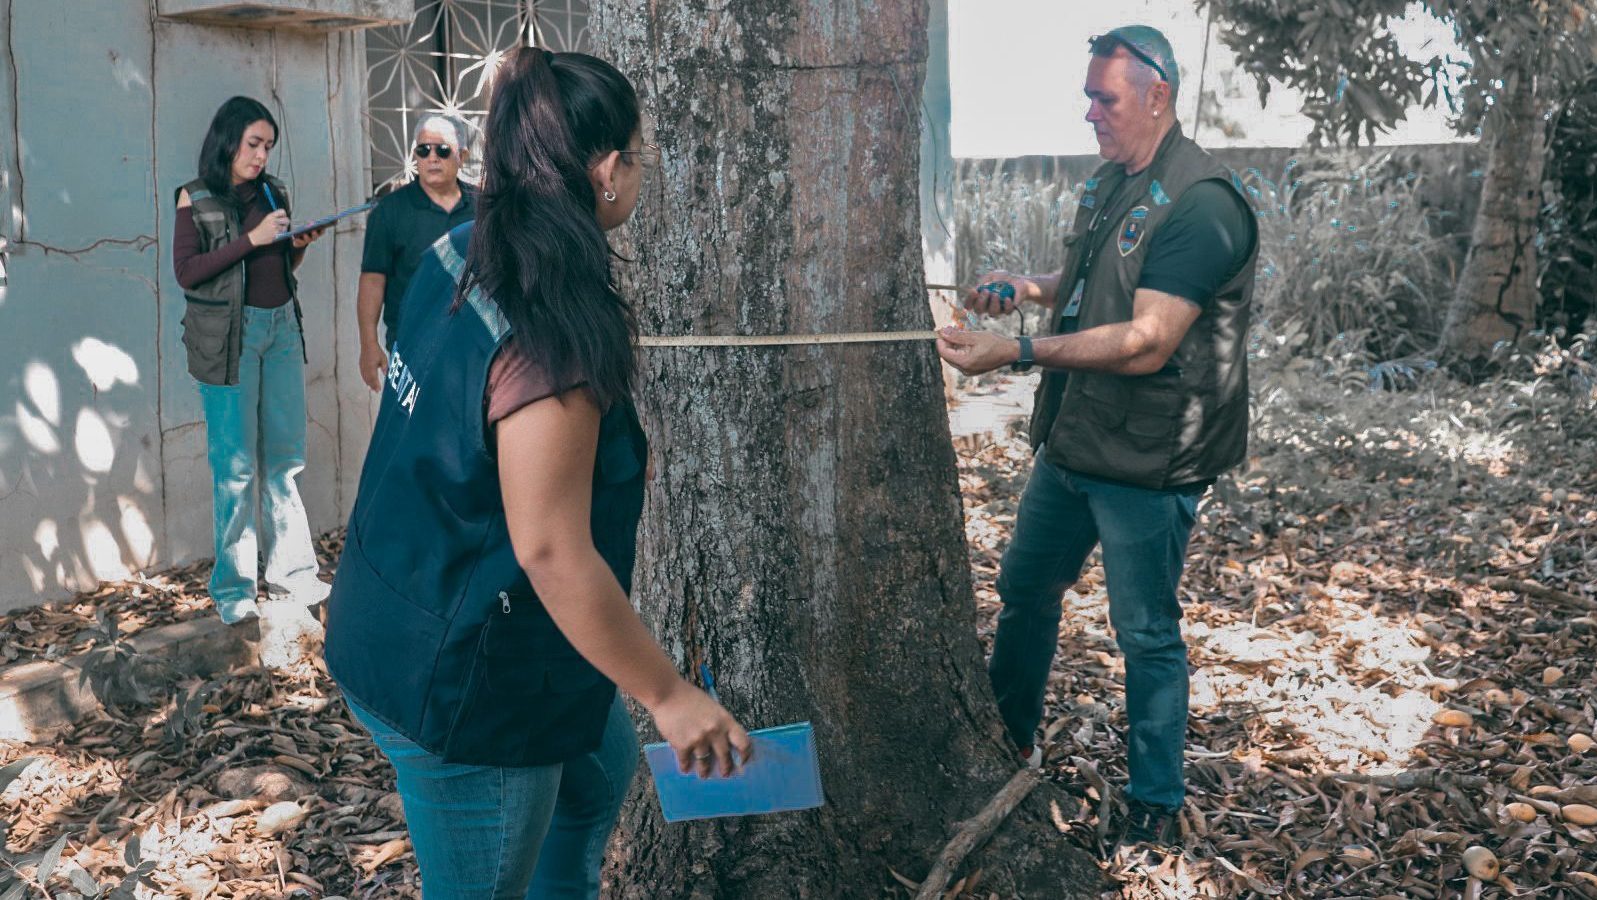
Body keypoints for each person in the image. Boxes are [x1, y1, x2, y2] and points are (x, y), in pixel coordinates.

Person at [324, 46, 749, 899]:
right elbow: (551, 548)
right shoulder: (549, 333)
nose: (639, 174)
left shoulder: (458, 249)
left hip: (401, 605)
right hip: (470, 685)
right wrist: (668, 694)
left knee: (592, 785)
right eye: (636, 156)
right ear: (601, 169)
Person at [936, 25, 1258, 852]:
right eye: (1085, 94)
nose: (1087, 113)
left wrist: (1014, 351)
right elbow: (1088, 283)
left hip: (1146, 465)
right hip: (1075, 443)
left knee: (1144, 632)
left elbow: (1148, 336)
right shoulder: (1114, 181)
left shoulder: (1203, 206)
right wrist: (1027, 288)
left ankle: (1154, 799)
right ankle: (1009, 740)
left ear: (1156, 96)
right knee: (1024, 590)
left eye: (1101, 97)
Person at [172, 95, 329, 626]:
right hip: (229, 339)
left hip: (281, 328)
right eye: (254, 144)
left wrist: (296, 245)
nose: (261, 156)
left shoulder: (272, 192)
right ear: (228, 140)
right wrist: (251, 239)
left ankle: (294, 573)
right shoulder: (194, 197)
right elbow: (188, 272)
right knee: (235, 468)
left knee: (285, 460)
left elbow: (276, 262)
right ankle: (235, 588)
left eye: (268, 147)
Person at [357, 114, 478, 392]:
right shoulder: (390, 211)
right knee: (412, 431)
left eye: (442, 150)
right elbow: (373, 280)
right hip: (411, 346)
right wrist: (369, 344)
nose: (432, 158)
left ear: (462, 155)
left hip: (474, 346)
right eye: (423, 150)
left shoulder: (485, 208)